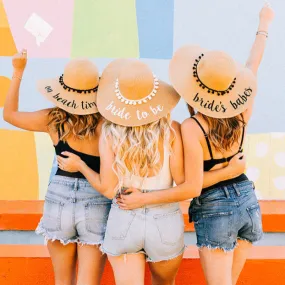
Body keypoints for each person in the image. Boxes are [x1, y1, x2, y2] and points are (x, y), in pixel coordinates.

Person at [57, 58, 246, 285]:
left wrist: (81, 167)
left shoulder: (109, 132)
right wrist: (230, 171)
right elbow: (187, 187)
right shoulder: (172, 131)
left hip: (124, 220)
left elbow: (108, 189)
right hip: (164, 224)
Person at [3, 52, 111, 285]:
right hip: (96, 197)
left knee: (62, 281)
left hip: (58, 199)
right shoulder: (107, 123)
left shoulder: (53, 119)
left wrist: (18, 71)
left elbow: (9, 115)